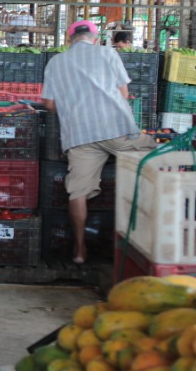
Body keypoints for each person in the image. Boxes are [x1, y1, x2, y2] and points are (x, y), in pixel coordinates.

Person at [41, 20, 157, 265]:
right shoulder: (108, 53)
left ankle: (80, 250)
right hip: (117, 129)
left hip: (79, 136)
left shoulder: (55, 62)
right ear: (95, 38)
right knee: (157, 152)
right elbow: (124, 94)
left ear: (70, 40)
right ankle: (148, 235)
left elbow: (49, 105)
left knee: (78, 192)